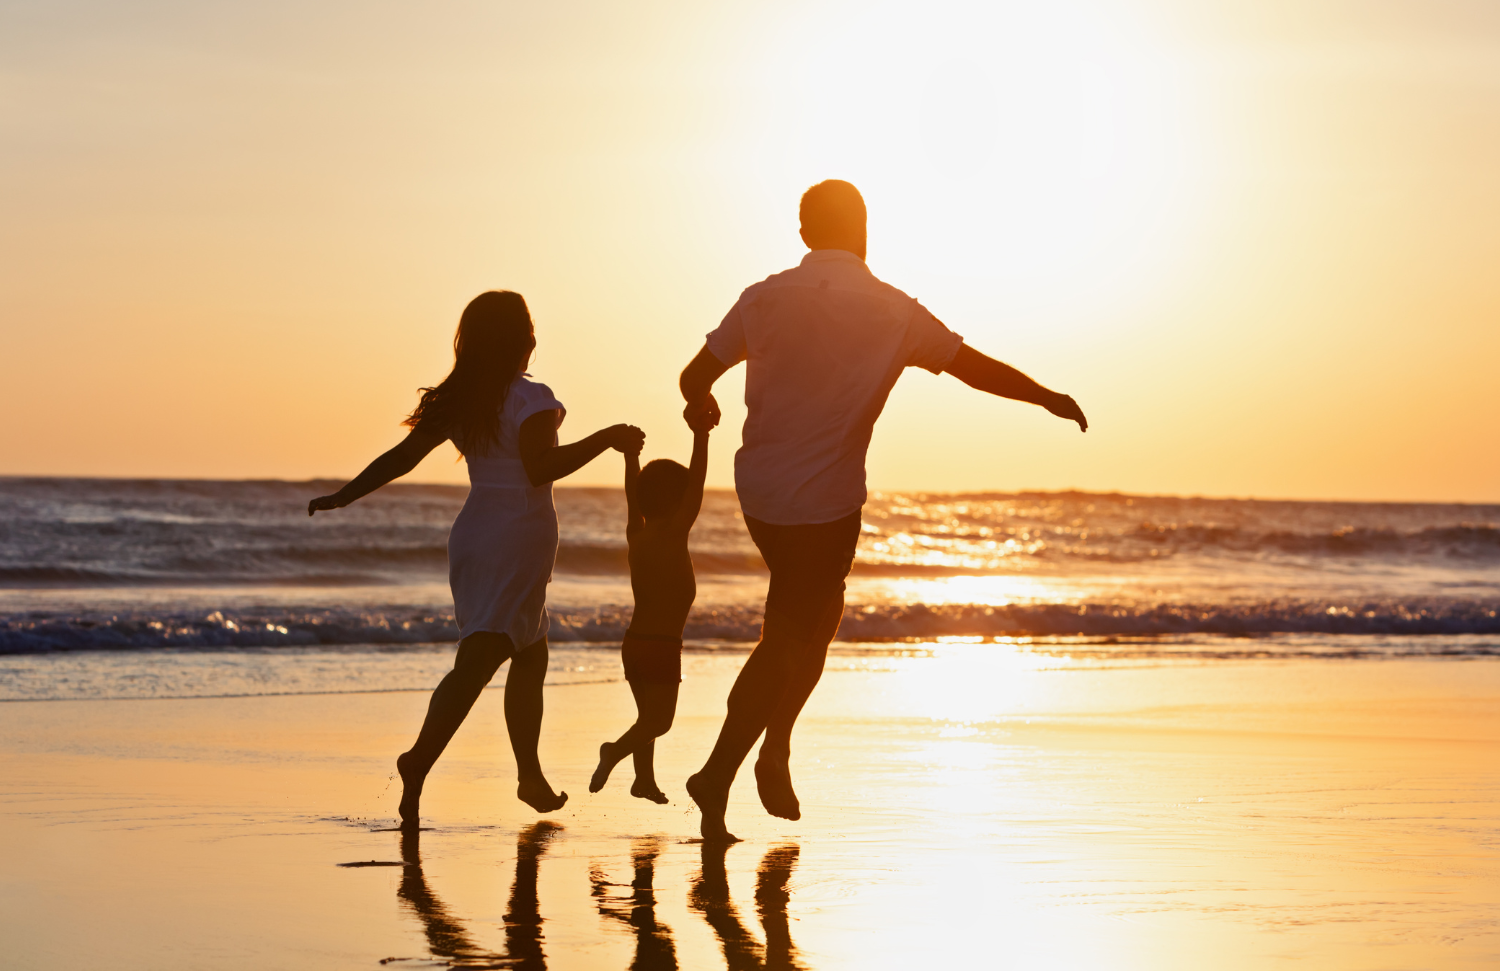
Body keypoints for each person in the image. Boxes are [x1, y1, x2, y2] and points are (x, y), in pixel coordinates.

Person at [680, 180, 1088, 841]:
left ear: (806, 232)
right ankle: (724, 771)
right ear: (863, 231)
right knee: (790, 635)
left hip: (759, 492)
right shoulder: (895, 312)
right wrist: (1045, 396)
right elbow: (973, 368)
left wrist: (700, 407)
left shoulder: (762, 298)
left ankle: (772, 747)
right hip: (827, 503)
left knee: (809, 619)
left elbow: (694, 376)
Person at [307, 290, 644, 826]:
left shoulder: (463, 398)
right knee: (481, 660)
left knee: (529, 653)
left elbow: (402, 458)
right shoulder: (531, 398)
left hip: (478, 534)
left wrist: (345, 494)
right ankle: (419, 759)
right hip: (515, 538)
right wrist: (607, 438)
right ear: (524, 341)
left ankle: (528, 775)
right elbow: (540, 469)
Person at [588, 404, 715, 803]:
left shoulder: (635, 534)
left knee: (646, 719)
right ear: (680, 503)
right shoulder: (677, 532)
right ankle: (613, 752)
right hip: (661, 646)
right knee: (660, 722)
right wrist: (701, 435)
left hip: (634, 644)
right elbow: (697, 485)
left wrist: (631, 458)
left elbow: (632, 494)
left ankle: (644, 780)